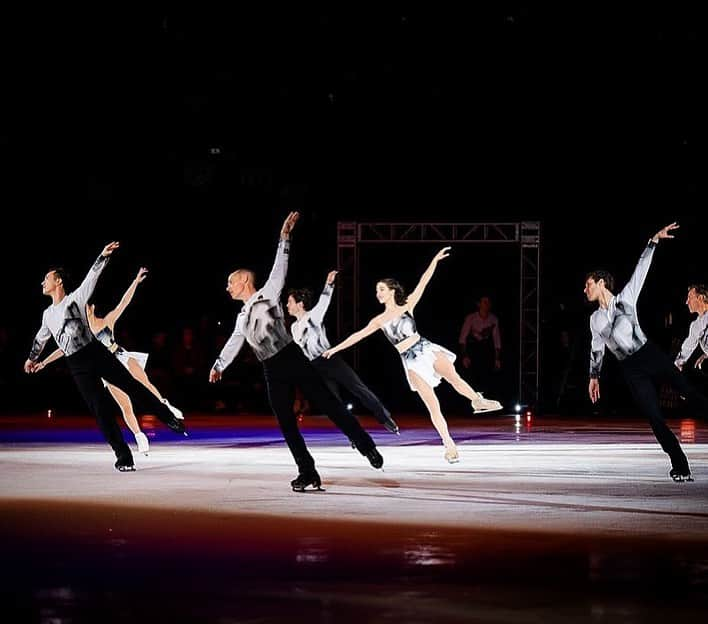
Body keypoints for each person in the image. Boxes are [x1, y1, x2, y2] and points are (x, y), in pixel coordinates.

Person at [209, 212, 384, 492]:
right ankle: (308, 472)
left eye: (231, 282)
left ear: (243, 280)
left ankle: (366, 446)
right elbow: (235, 339)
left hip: (291, 358)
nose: (227, 287)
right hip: (270, 369)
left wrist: (284, 238)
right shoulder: (241, 316)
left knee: (329, 404)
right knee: (286, 423)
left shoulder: (268, 292)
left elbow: (280, 266)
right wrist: (219, 364)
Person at [323, 247, 503, 464]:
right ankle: (449, 445)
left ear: (391, 291)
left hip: (425, 348)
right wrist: (335, 349)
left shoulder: (408, 304)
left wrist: (435, 260)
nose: (377, 293)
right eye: (377, 290)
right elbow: (357, 336)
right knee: (432, 405)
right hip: (410, 361)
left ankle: (477, 400)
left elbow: (423, 281)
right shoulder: (379, 321)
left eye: (381, 289)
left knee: (454, 377)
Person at [24, 244, 186, 472]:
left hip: (95, 353)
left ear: (58, 281)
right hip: (76, 365)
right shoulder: (47, 315)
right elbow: (41, 339)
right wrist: (32, 359)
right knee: (101, 411)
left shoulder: (75, 299)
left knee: (132, 386)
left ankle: (168, 417)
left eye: (46, 279)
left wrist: (103, 256)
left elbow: (92, 277)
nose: (43, 283)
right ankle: (124, 457)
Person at [584, 222, 708, 482]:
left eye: (588, 285)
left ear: (601, 283)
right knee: (654, 416)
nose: (585, 290)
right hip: (631, 369)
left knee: (690, 393)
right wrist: (594, 376)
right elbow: (597, 347)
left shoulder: (626, 298)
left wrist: (653, 240)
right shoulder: (595, 319)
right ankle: (680, 465)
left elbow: (641, 269)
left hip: (649, 354)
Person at [286, 269, 399, 435]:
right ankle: (354, 433)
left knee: (358, 388)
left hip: (330, 359)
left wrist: (329, 284)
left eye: (289, 302)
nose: (287, 305)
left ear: (300, 304)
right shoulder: (294, 327)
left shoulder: (313, 317)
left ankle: (385, 418)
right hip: (315, 367)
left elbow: (324, 301)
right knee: (334, 405)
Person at [458, 295, 502, 398]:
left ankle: (486, 402)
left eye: (488, 302)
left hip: (486, 350)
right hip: (473, 349)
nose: (487, 304)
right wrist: (464, 356)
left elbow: (496, 339)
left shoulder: (493, 319)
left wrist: (497, 358)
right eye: (484, 302)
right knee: (473, 378)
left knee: (486, 378)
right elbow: (462, 338)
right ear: (479, 304)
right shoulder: (471, 318)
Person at [674, 284, 708, 374]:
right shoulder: (696, 325)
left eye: (689, 297)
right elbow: (687, 347)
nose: (686, 302)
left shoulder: (700, 323)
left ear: (700, 298)